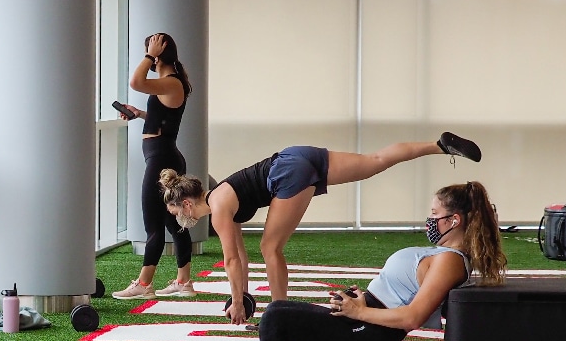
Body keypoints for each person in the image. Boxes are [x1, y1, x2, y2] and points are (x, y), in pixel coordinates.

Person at [221, 181, 507, 341]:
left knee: (275, 317)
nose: (428, 221)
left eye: (434, 215)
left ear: (454, 220)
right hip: (360, 322)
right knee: (278, 312)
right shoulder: (441, 254)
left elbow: (413, 316)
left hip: (365, 339)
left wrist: (359, 311)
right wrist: (360, 300)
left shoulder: (450, 261)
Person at [159, 132, 482, 323]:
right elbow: (238, 260)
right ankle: (439, 145)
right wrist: (239, 294)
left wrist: (240, 303)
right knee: (375, 161)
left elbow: (230, 261)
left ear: (187, 204)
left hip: (285, 173)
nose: (178, 219)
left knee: (270, 248)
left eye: (175, 212)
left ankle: (278, 314)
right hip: (295, 156)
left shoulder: (217, 208)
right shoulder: (222, 200)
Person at [113, 33, 197, 300]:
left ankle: (144, 284)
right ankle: (183, 283)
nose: (147, 55)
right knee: (173, 222)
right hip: (163, 156)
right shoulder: (170, 84)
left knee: (153, 222)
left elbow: (136, 82)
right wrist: (139, 114)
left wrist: (150, 54)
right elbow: (165, 119)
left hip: (162, 160)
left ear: (158, 53)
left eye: (149, 50)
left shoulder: (171, 82)